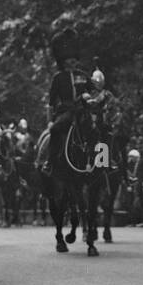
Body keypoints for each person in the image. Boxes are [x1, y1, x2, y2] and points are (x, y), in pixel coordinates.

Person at [42, 20, 92, 174]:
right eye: (69, 58)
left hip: (84, 110)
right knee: (56, 130)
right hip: (66, 112)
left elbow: (93, 91)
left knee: (100, 130)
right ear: (64, 60)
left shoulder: (83, 75)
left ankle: (103, 161)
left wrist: (89, 96)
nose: (73, 61)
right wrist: (50, 121)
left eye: (74, 58)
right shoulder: (59, 78)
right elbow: (51, 102)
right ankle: (50, 162)